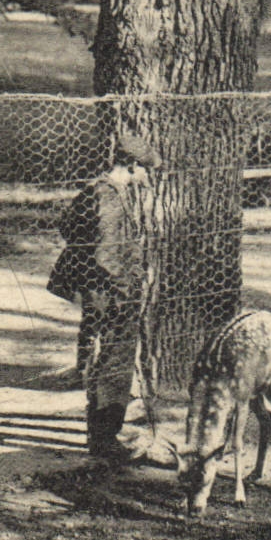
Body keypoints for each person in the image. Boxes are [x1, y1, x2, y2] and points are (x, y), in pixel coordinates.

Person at [47, 132, 158, 464]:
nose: (148, 177)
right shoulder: (109, 195)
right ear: (133, 166)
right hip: (113, 294)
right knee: (115, 363)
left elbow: (68, 226)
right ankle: (105, 440)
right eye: (146, 170)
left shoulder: (95, 189)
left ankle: (101, 436)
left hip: (100, 290)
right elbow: (106, 253)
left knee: (102, 361)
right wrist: (127, 287)